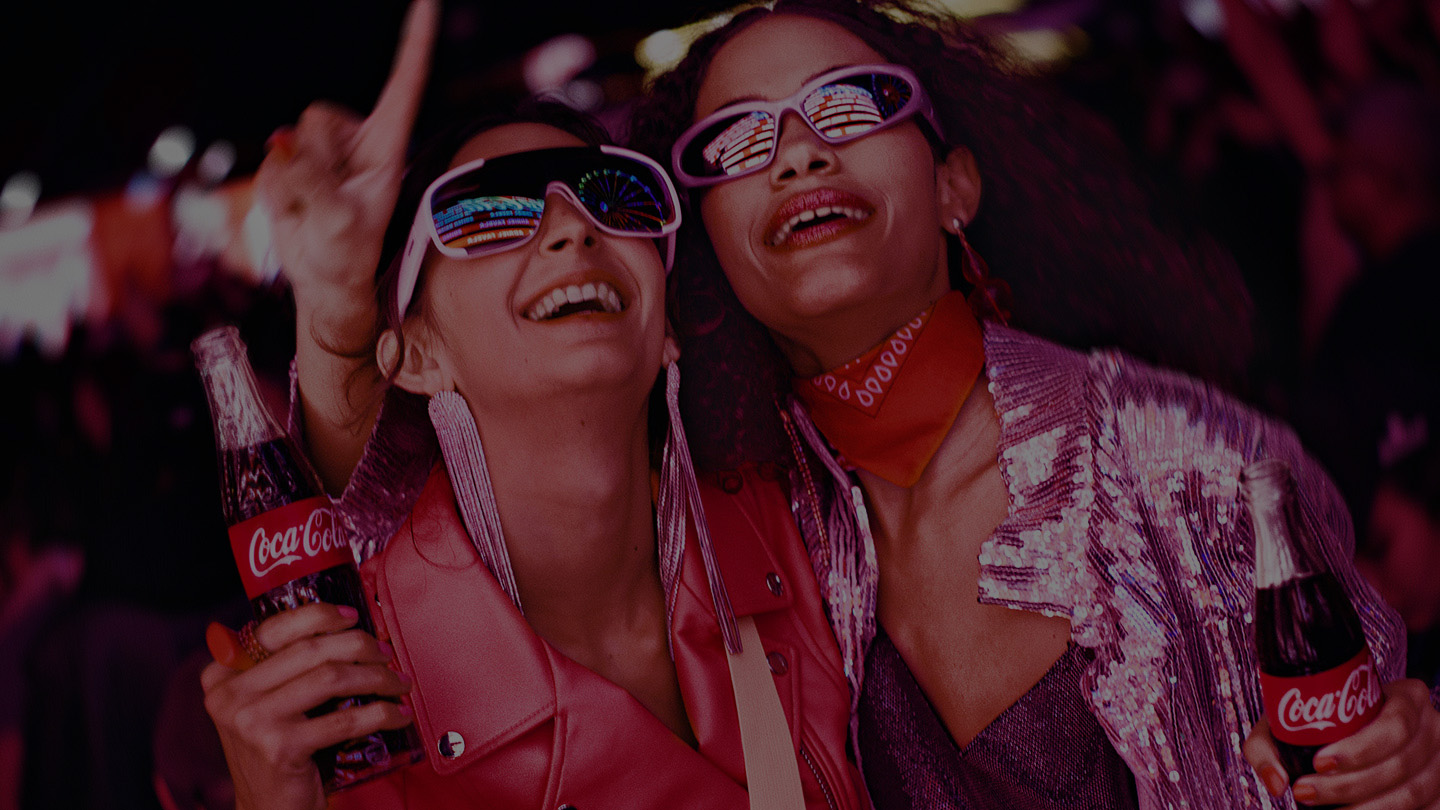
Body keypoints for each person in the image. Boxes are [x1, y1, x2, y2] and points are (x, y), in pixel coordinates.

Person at [627, 0, 1440, 807]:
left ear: (955, 187)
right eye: (735, 142)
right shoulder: (738, 552)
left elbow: (1362, 764)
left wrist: (1405, 765)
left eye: (852, 104)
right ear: (709, 245)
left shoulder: (1193, 464)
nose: (799, 152)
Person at [199, 3, 867, 808]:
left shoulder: (811, 525)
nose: (572, 230)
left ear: (667, 329)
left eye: (615, 199)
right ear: (415, 356)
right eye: (487, 213)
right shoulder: (356, 706)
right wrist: (335, 309)